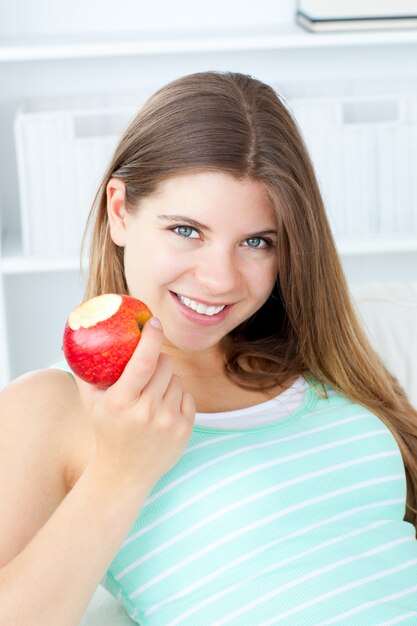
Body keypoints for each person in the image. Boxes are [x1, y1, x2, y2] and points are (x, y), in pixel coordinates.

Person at [1, 70, 417, 626]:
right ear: (120, 211)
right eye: (186, 231)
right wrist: (123, 469)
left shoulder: (324, 360)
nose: (220, 279)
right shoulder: (52, 406)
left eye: (255, 242)